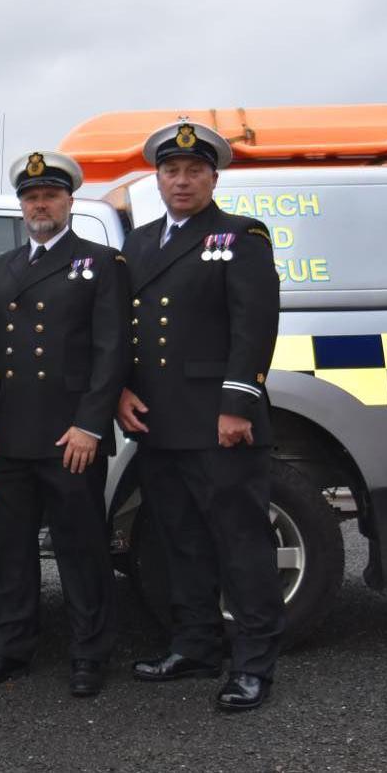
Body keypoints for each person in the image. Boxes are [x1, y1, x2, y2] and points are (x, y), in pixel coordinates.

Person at [118, 121, 284, 711]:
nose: (181, 180)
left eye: (193, 171)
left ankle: (255, 665)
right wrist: (119, 393)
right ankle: (193, 646)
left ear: (214, 177)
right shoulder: (137, 244)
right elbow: (123, 331)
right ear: (157, 178)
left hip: (218, 422)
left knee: (240, 544)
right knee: (178, 540)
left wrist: (236, 405)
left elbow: (255, 327)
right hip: (158, 423)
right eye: (171, 171)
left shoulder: (241, 236)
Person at [0, 151, 129, 697]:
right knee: (12, 552)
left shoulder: (100, 263)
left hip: (69, 438)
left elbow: (112, 351)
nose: (40, 205)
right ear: (21, 206)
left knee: (82, 550)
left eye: (50, 196)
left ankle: (89, 654)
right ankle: (8, 650)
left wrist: (90, 426)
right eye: (31, 198)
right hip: (10, 437)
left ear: (69, 201)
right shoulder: (1, 269)